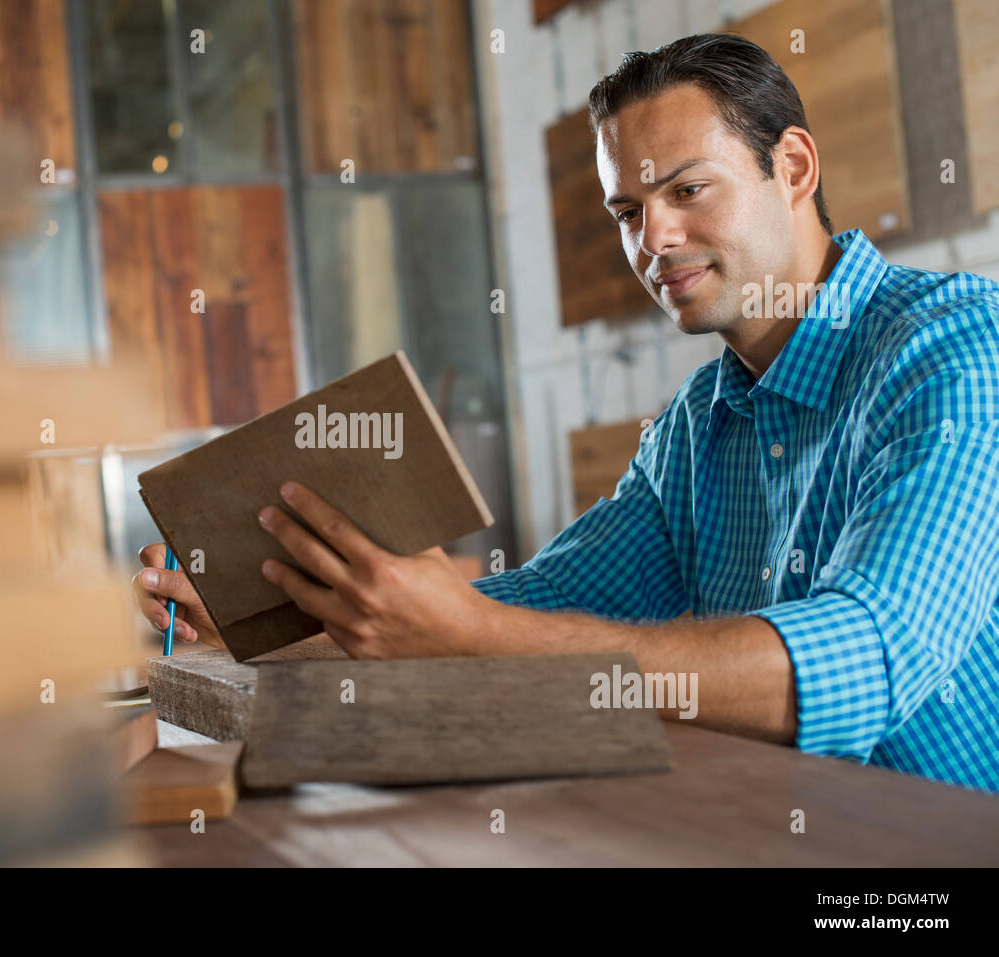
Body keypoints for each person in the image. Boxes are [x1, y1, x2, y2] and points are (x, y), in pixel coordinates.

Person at [135, 34, 999, 794]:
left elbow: (869, 655)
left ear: (795, 167)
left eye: (688, 190)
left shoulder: (956, 348)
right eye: (627, 210)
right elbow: (530, 611)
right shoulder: (694, 429)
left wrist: (469, 630)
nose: (651, 239)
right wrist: (288, 618)